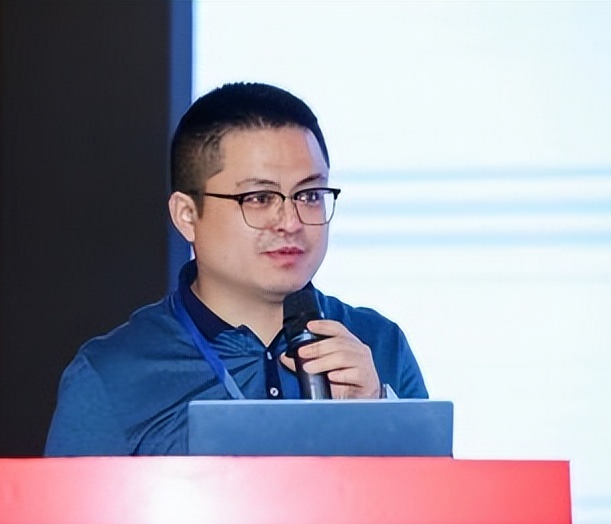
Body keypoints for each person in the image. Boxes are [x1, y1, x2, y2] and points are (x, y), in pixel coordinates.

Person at [44, 82, 428, 456]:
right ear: (187, 215)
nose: (291, 222)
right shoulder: (112, 375)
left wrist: (378, 416)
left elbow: (436, 497)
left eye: (310, 195)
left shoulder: (378, 345)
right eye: (259, 198)